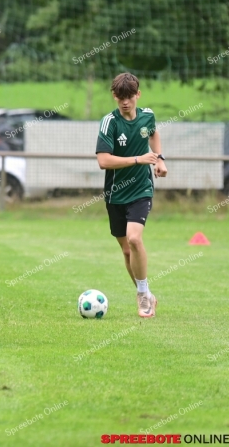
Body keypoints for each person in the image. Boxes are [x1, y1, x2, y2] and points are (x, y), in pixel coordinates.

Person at [96, 72, 167, 318]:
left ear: (138, 95)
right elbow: (103, 161)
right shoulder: (110, 123)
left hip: (141, 190)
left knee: (135, 240)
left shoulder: (147, 116)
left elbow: (154, 133)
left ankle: (142, 295)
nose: (125, 102)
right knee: (126, 251)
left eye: (129, 97)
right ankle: (147, 294)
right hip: (115, 194)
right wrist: (139, 159)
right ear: (114, 96)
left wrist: (159, 159)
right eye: (120, 97)